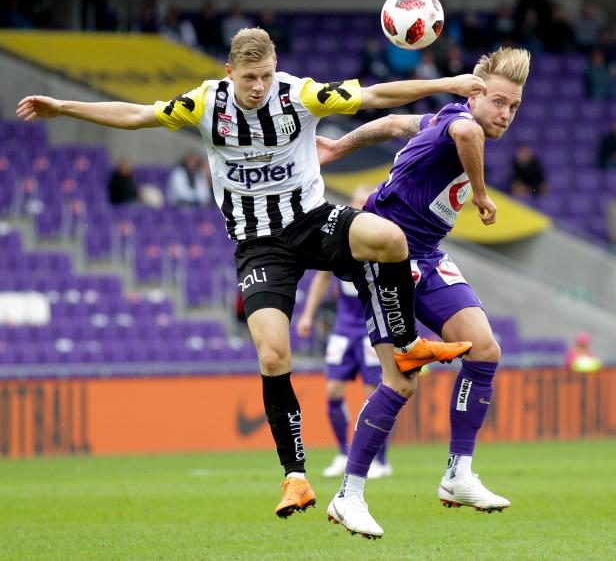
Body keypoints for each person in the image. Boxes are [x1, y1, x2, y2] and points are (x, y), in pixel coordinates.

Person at [16, 27, 481, 524]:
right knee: (273, 352)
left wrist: (451, 82)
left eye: (264, 76)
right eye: (248, 78)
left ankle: (406, 342)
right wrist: (62, 107)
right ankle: (296, 476)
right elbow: (137, 115)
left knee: (390, 239)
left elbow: (373, 95)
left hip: (311, 221)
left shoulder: (296, 93)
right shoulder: (205, 104)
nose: (258, 87)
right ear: (229, 73)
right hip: (260, 246)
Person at [317, 47, 531, 537]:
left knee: (484, 349)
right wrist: (479, 192)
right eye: (498, 101)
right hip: (385, 254)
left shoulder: (441, 116)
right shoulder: (460, 123)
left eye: (514, 107)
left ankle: (458, 473)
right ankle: (348, 495)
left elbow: (391, 124)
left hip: (427, 257)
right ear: (474, 93)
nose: (505, 114)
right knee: (401, 382)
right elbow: (467, 132)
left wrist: (335, 149)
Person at [296, 185, 393, 481]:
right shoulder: (340, 237)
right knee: (333, 391)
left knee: (372, 394)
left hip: (372, 328)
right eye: (356, 202)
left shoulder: (382, 239)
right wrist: (308, 315)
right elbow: (322, 279)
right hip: (343, 328)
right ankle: (342, 451)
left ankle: (380, 459)